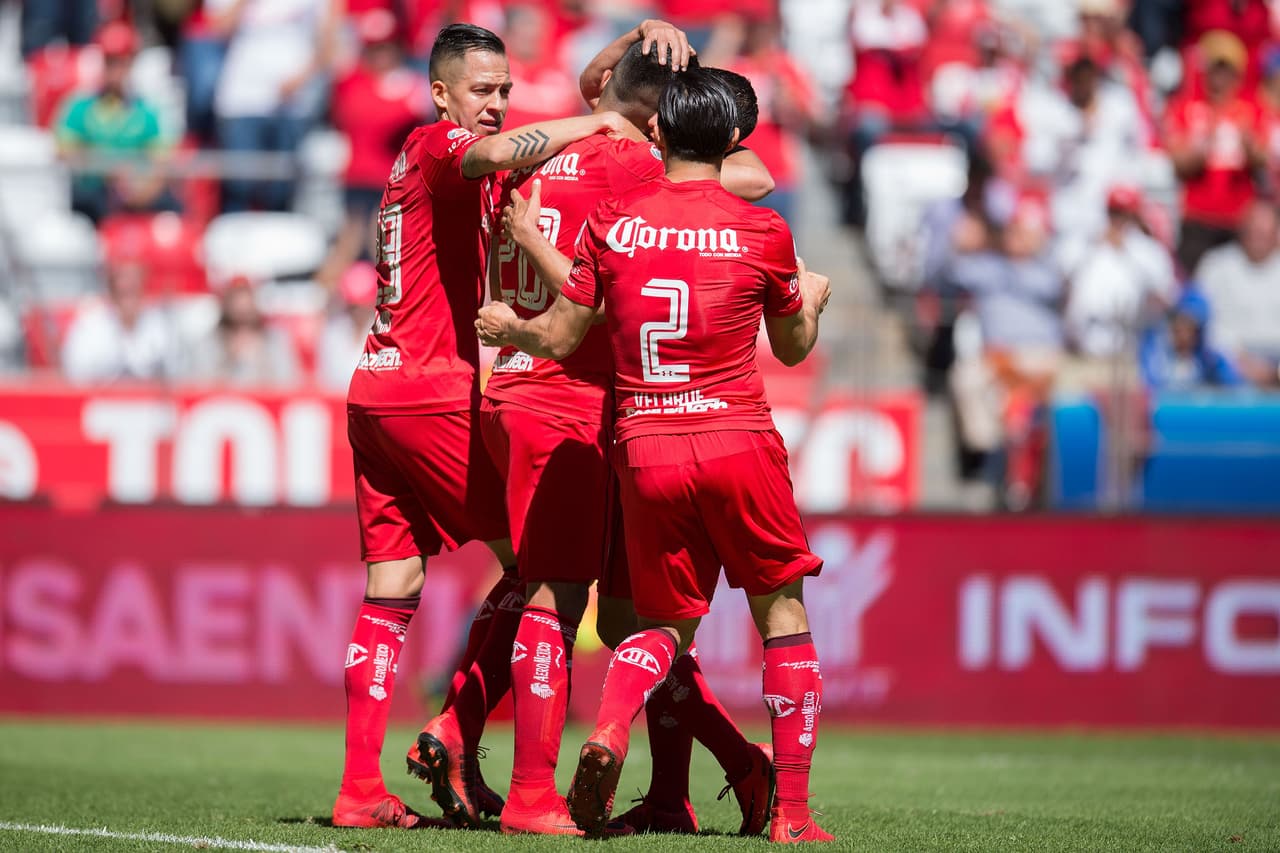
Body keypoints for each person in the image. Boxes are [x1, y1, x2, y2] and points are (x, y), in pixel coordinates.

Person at [476, 70, 834, 844]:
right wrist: (811, 300)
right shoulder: (763, 229)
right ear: (735, 143)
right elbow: (794, 346)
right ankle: (794, 816)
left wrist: (510, 330)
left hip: (644, 445)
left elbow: (566, 336)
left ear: (659, 137)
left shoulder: (614, 221)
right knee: (781, 615)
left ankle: (608, 726)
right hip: (738, 438)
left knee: (660, 622)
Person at [332, 22, 636, 830]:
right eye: (483, 90)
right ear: (441, 94)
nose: (498, 104)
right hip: (433, 391)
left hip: (374, 388)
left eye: (504, 89)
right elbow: (504, 154)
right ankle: (468, 739)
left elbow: (534, 138)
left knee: (392, 586)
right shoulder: (437, 143)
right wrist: (600, 123)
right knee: (544, 570)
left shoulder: (418, 162)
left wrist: (637, 39)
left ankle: (361, 787)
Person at [1164, 29, 1266, 273]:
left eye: (1226, 70)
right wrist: (1204, 143)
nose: (1220, 77)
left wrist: (1248, 144)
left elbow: (1264, 159)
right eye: (1215, 69)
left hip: (1238, 218)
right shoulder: (1185, 107)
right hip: (1197, 217)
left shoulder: (1252, 110)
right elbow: (1176, 161)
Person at [54, 22, 175, 224]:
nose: (116, 71)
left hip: (136, 196)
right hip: (93, 197)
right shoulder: (79, 107)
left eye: (122, 62)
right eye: (110, 62)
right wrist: (106, 169)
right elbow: (64, 153)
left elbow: (162, 165)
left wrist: (140, 193)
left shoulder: (147, 112)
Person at [1194, 199, 1280, 387]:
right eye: (1254, 231)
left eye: (1264, 233)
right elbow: (1204, 328)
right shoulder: (1215, 265)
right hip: (1230, 363)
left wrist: (1275, 372)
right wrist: (1242, 363)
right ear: (1242, 231)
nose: (1258, 238)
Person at [61, 263, 178, 384]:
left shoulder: (159, 325)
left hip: (149, 401)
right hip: (101, 400)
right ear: (111, 291)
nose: (128, 300)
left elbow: (176, 375)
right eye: (123, 292)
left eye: (133, 290)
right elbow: (75, 376)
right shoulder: (89, 327)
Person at [183, 276, 302, 387]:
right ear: (225, 303)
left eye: (247, 297)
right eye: (235, 299)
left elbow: (289, 382)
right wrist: (230, 360)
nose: (242, 305)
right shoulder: (208, 343)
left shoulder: (275, 340)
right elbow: (198, 384)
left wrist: (260, 361)